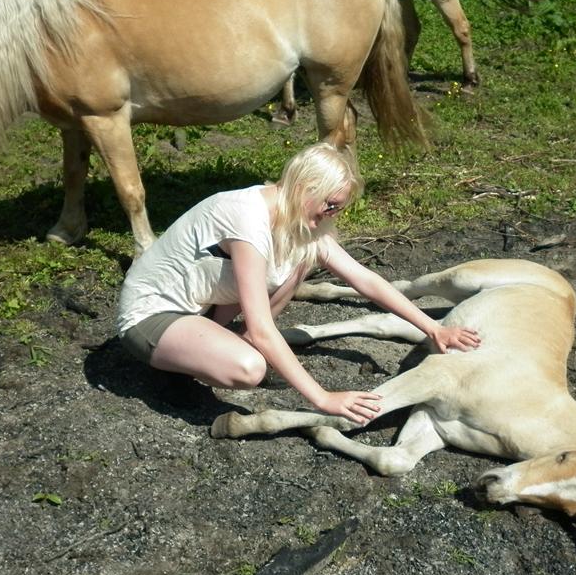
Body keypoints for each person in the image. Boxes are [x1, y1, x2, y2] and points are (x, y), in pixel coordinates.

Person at [117, 142, 481, 424]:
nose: (332, 214)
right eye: (331, 204)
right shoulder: (247, 218)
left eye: (338, 208)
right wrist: (323, 397)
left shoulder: (297, 219)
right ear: (307, 188)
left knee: (298, 260)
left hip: (200, 306)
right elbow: (262, 330)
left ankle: (213, 344)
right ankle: (171, 370)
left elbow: (363, 278)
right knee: (250, 368)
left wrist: (433, 328)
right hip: (151, 317)